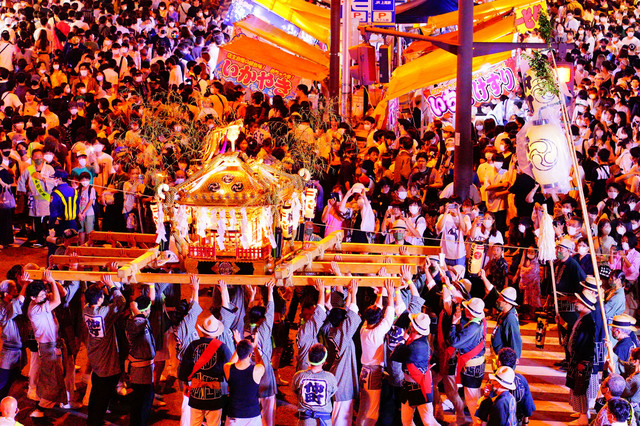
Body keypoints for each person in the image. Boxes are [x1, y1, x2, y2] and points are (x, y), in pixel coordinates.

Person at [27, 271, 74, 418]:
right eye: (42, 295)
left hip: (52, 345)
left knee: (56, 377)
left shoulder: (39, 302)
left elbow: (61, 294)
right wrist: (52, 281)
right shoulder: (35, 309)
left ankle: (51, 404)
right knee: (52, 380)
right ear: (33, 298)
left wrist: (50, 283)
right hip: (48, 348)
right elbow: (57, 301)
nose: (45, 296)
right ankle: (40, 409)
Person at [83, 275, 126, 426]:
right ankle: (96, 421)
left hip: (95, 355)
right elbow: (121, 302)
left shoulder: (86, 310)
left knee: (96, 391)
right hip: (106, 359)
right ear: (100, 299)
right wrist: (112, 286)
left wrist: (101, 287)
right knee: (103, 394)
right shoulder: (104, 312)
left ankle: (92, 418)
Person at [178, 313, 232, 426]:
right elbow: (230, 369)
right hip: (214, 394)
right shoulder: (222, 347)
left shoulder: (193, 345)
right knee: (214, 423)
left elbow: (184, 368)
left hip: (196, 392)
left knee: (194, 423)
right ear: (216, 333)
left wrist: (186, 384)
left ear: (202, 331)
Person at [356, 279, 395, 426]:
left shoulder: (364, 329)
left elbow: (376, 312)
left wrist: (380, 293)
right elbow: (389, 316)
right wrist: (389, 293)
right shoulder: (377, 332)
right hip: (373, 372)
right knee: (372, 411)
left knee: (363, 407)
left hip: (365, 371)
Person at [390, 312, 439, 426]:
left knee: (429, 422)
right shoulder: (417, 339)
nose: (409, 325)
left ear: (414, 328)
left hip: (420, 386)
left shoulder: (416, 346)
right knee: (406, 421)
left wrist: (403, 339)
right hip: (409, 386)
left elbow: (394, 354)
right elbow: (404, 318)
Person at [449, 297, 487, 424]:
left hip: (471, 367)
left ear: (470, 312)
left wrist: (453, 324)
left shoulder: (472, 328)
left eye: (467, 308)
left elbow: (454, 342)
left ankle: (477, 423)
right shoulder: (480, 322)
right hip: (477, 364)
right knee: (475, 396)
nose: (464, 309)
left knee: (471, 400)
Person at [566, 291, 599, 426]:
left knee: (580, 389)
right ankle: (581, 412)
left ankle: (583, 416)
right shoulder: (582, 318)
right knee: (576, 388)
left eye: (579, 302)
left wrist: (582, 361)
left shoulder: (587, 322)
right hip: (576, 359)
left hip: (581, 361)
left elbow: (586, 345)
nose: (576, 303)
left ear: (585, 305)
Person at [126, 292, 156, 426]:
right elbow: (139, 322)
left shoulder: (139, 321)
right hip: (140, 371)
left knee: (142, 403)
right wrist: (136, 309)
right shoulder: (135, 323)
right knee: (141, 404)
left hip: (145, 370)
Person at [292, 343, 338, 425]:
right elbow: (332, 393)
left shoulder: (298, 376)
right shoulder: (330, 377)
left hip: (305, 421)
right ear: (324, 361)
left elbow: (295, 391)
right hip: (324, 421)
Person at [224, 339, 264, 425]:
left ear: (238, 352)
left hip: (234, 416)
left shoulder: (227, 368)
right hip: (252, 417)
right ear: (250, 354)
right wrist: (255, 347)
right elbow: (261, 364)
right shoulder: (257, 370)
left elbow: (231, 363)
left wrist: (239, 346)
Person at [0, 280, 26, 399]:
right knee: (3, 380)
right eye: (14, 289)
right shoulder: (2, 308)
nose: (17, 291)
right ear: (6, 294)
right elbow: (17, 304)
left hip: (17, 349)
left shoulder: (9, 304)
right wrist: (25, 285)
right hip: (9, 351)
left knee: (13, 377)